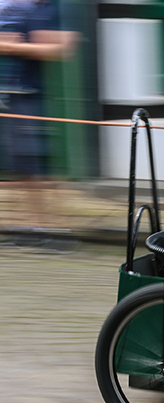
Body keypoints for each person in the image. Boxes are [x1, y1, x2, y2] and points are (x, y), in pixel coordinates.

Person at [0, 0, 77, 230]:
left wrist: (14, 46)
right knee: (25, 166)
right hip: (14, 95)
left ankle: (54, 227)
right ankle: (36, 226)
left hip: (35, 96)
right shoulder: (16, 7)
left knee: (40, 165)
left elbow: (63, 46)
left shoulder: (54, 8)